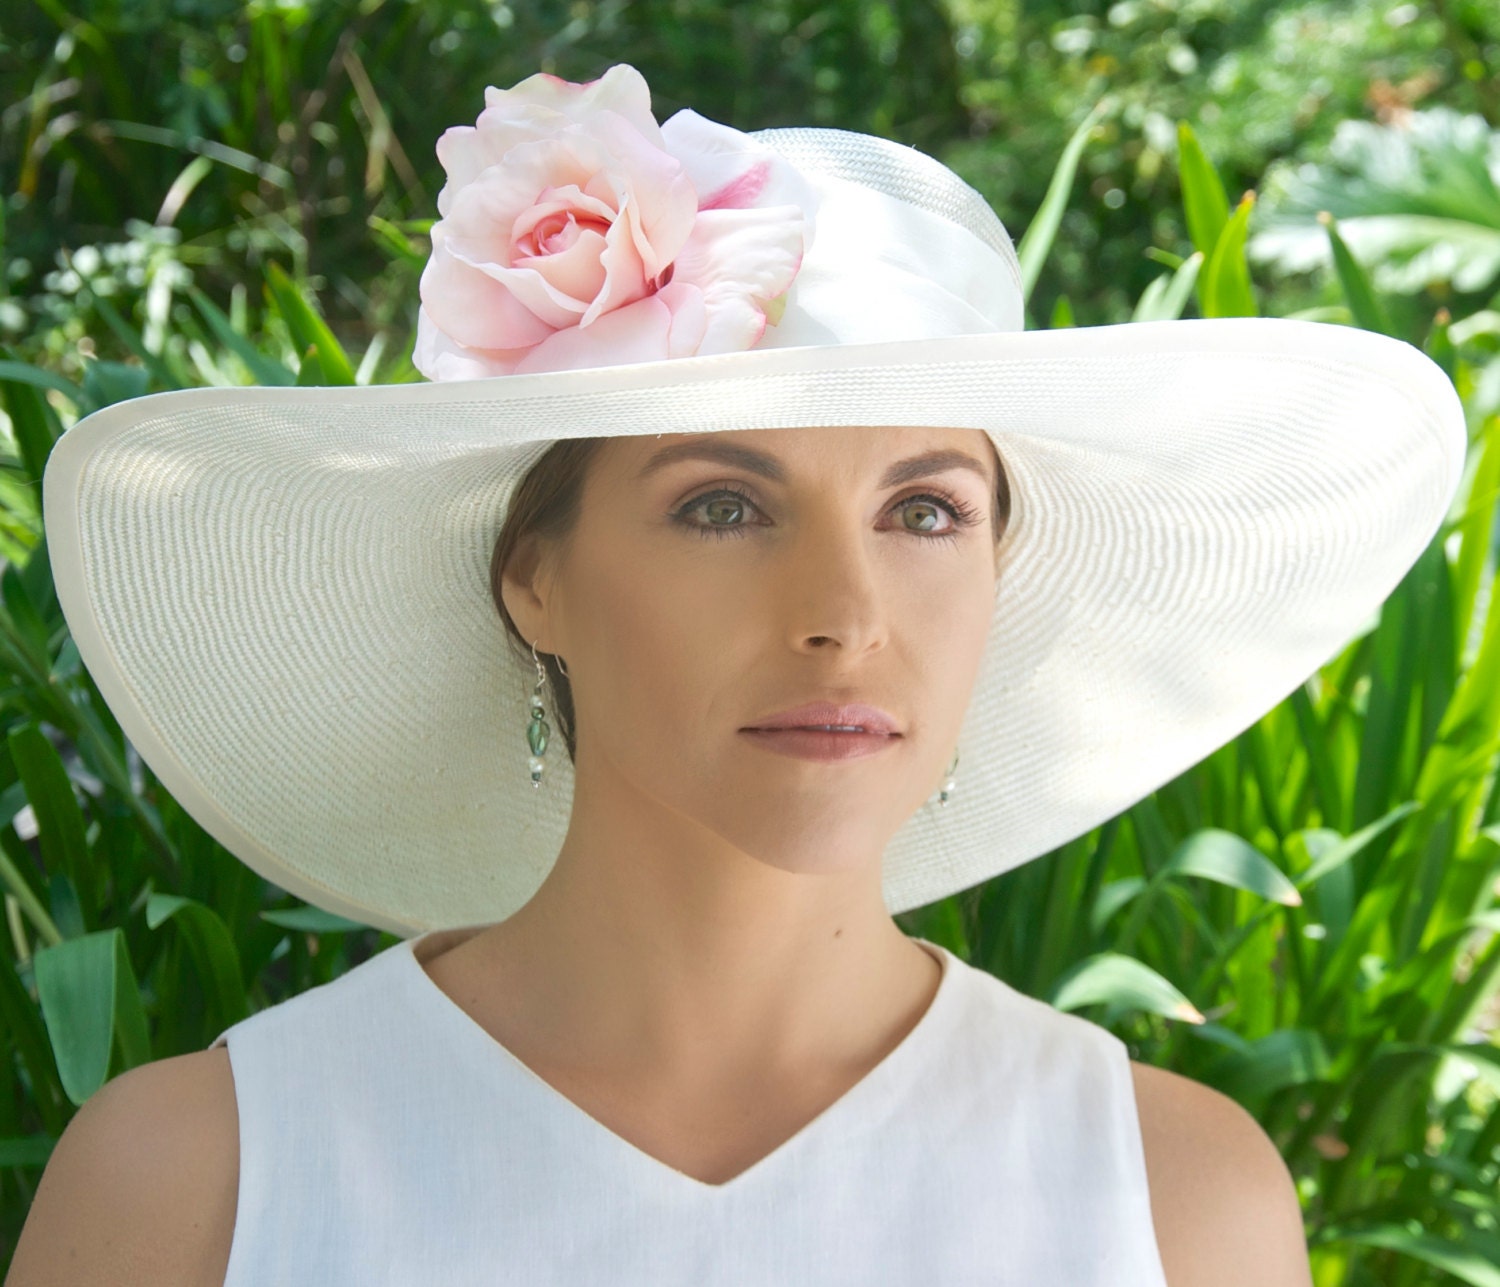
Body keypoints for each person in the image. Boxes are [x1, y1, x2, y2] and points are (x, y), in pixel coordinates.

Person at [9, 63, 1464, 1286]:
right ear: (535, 577)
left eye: (925, 509)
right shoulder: (192, 1187)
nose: (845, 614)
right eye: (722, 506)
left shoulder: (1178, 1209)